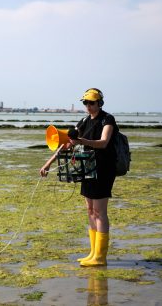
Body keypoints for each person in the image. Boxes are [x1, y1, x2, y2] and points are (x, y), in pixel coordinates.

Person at [40, 88, 117, 267]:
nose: (89, 106)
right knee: (90, 210)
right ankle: (92, 253)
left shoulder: (107, 119)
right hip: (87, 169)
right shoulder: (83, 121)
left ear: (100, 103)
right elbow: (66, 144)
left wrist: (82, 141)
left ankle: (100, 257)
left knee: (100, 212)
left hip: (104, 169)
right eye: (86, 103)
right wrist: (48, 163)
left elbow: (104, 142)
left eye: (92, 103)